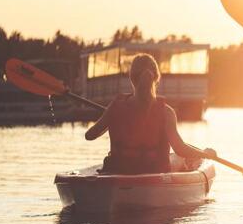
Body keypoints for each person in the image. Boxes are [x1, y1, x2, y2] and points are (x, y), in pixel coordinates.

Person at [85, 53, 216, 174]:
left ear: (131, 78)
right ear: (157, 78)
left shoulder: (115, 106)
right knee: (179, 160)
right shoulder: (166, 112)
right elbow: (179, 149)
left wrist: (110, 118)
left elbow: (89, 135)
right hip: (153, 172)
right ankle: (203, 154)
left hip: (119, 170)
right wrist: (205, 155)